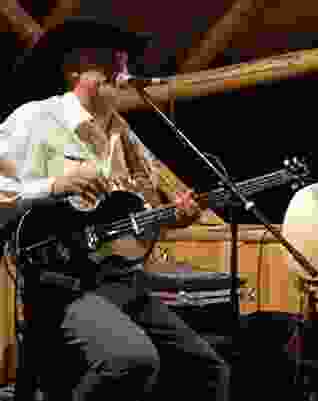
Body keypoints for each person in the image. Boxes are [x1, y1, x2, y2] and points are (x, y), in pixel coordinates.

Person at [0, 17, 230, 401]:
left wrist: (179, 216)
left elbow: (146, 212)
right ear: (73, 69)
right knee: (131, 359)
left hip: (120, 279)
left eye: (122, 63)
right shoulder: (35, 120)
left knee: (208, 368)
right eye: (106, 61)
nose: (120, 71)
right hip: (60, 283)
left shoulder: (126, 137)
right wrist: (52, 186)